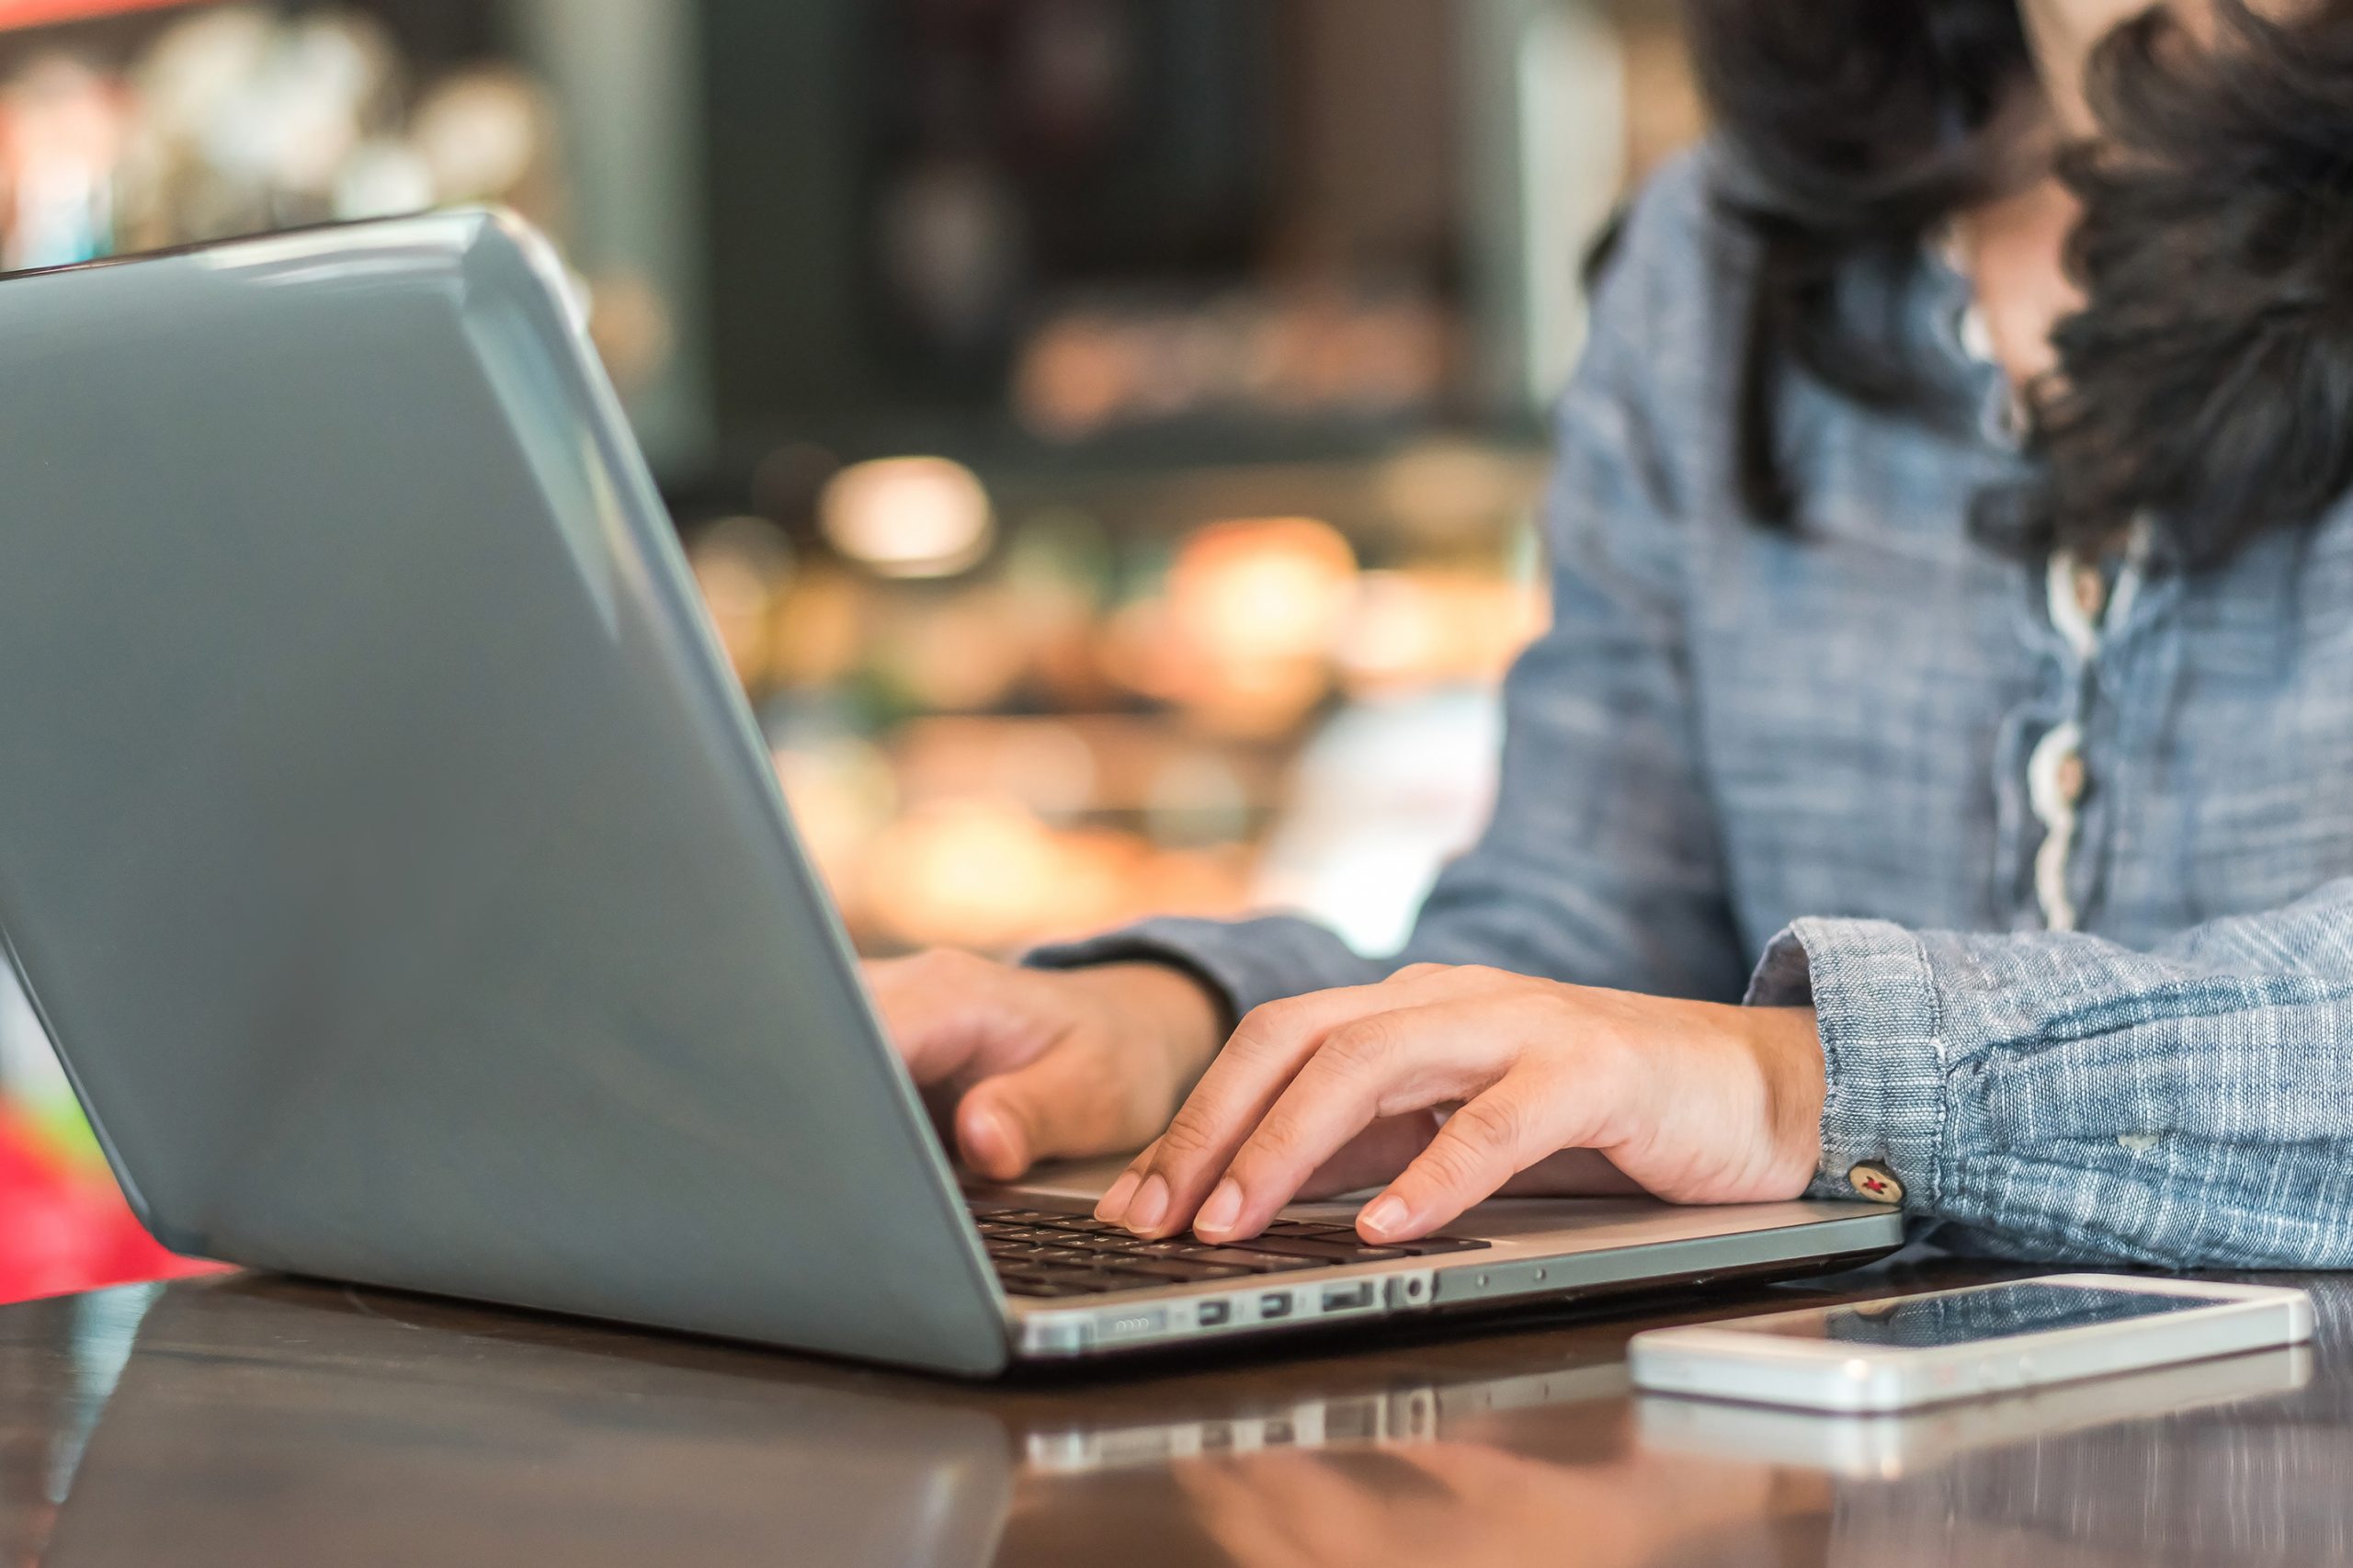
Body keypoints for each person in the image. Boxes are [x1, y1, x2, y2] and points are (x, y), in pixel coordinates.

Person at [870, 0, 2353, 1267]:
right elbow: (1593, 939)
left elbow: (1727, 1064)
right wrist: (1193, 1036)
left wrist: (1799, 1085)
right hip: (1818, 1465)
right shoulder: (1726, 250)